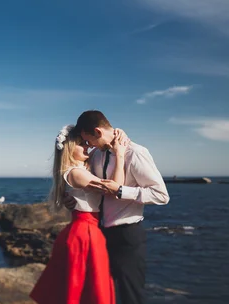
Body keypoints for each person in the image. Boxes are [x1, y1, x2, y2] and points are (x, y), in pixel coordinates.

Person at [64, 110, 170, 304]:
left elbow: (161, 195)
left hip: (126, 236)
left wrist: (122, 191)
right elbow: (83, 184)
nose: (87, 146)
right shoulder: (95, 155)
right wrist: (69, 198)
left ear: (97, 131)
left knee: (131, 297)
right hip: (98, 234)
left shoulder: (135, 153)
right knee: (101, 296)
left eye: (88, 140)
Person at [30, 124, 130, 304]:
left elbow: (99, 145)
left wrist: (117, 133)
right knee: (89, 290)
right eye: (82, 144)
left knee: (84, 288)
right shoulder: (77, 174)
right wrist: (120, 154)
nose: (88, 146)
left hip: (85, 231)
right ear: (68, 148)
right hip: (85, 235)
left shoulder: (81, 170)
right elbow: (116, 188)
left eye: (87, 142)